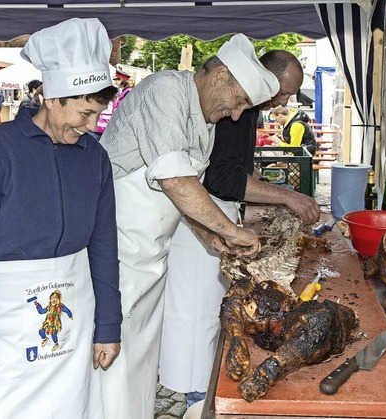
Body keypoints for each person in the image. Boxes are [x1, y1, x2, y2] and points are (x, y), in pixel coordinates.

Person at [0, 17, 121, 418]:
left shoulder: (96, 159)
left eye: (98, 114)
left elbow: (105, 244)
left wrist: (109, 324)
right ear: (52, 98)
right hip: (3, 323)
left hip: (75, 316)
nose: (92, 126)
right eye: (85, 112)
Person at [99, 33, 280, 419]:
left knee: (141, 365)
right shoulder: (164, 91)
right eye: (240, 101)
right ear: (220, 77)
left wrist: (209, 235)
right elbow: (175, 181)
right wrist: (235, 231)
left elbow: (180, 198)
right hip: (113, 250)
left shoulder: (206, 120)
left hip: (147, 256)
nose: (236, 115)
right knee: (113, 361)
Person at [159, 50, 321, 408]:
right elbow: (223, 176)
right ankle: (200, 400)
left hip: (216, 216)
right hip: (200, 221)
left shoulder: (247, 109)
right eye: (283, 91)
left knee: (216, 317)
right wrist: (287, 198)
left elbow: (237, 169)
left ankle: (206, 393)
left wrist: (267, 188)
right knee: (199, 319)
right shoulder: (238, 109)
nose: (285, 100)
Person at [97, 69, 132, 134]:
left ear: (122, 80)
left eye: (117, 80)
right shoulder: (125, 91)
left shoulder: (128, 92)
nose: (116, 82)